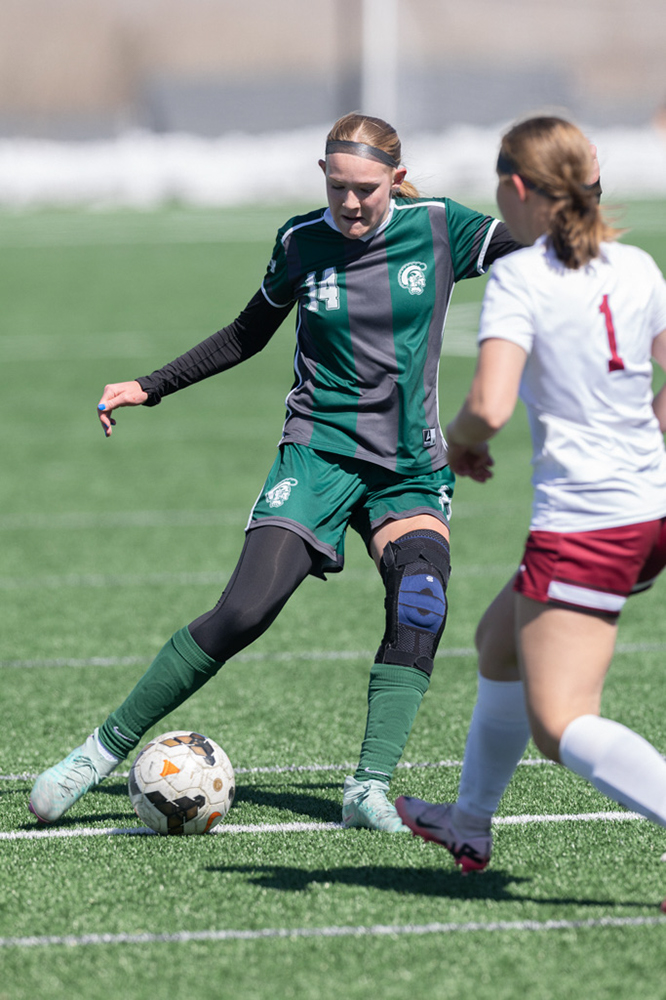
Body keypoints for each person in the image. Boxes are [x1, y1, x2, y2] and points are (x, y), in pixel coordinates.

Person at [29, 111, 526, 833]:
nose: (350, 203)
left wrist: (581, 196)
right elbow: (246, 333)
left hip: (409, 468)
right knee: (244, 611)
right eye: (337, 187)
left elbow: (543, 243)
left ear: (396, 178)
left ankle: (368, 788)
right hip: (317, 453)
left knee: (420, 601)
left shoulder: (441, 227)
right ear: (322, 176)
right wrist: (149, 385)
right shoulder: (300, 242)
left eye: (365, 189)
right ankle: (94, 755)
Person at [396, 114, 666, 869]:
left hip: (586, 524)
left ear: (516, 189)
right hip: (647, 511)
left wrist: (459, 443)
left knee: (560, 724)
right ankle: (469, 822)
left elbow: (489, 406)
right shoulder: (637, 265)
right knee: (499, 644)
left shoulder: (521, 276)